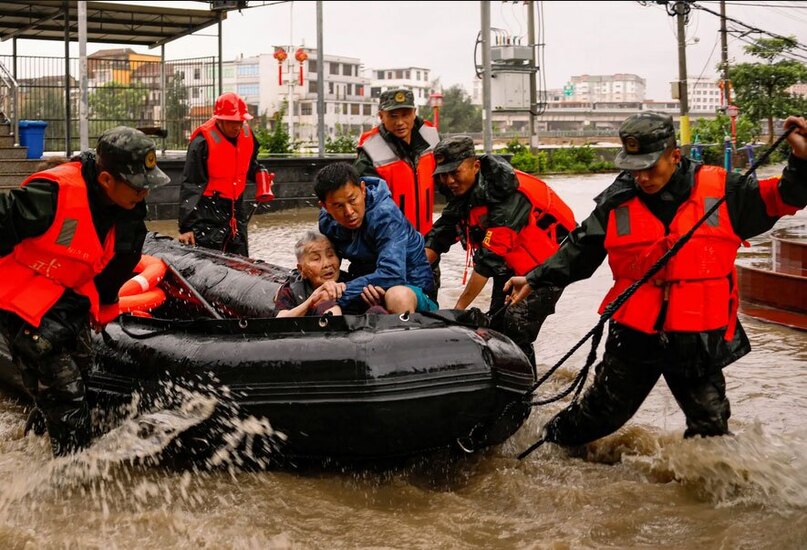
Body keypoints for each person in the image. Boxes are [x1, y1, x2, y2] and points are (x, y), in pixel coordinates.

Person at [505, 111, 807, 448]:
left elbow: (786, 197)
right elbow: (579, 249)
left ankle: (707, 489)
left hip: (697, 333)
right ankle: (547, 446)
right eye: (635, 168)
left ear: (674, 156)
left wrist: (801, 159)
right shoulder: (616, 201)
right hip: (635, 331)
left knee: (710, 425)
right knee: (601, 414)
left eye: (651, 167)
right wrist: (534, 277)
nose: (643, 177)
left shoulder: (723, 189)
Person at [0, 126, 170, 456]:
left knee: (81, 367)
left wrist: (106, 304)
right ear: (107, 180)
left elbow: (122, 259)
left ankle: (36, 443)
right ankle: (72, 476)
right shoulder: (52, 195)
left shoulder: (131, 207)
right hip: (23, 306)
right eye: (137, 186)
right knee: (67, 393)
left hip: (69, 300)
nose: (144, 194)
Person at [424, 135, 576, 366]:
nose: (449, 180)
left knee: (515, 328)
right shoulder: (463, 194)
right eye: (443, 174)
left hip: (548, 268)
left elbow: (487, 262)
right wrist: (409, 272)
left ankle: (524, 394)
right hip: (511, 267)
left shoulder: (507, 196)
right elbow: (439, 236)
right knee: (496, 328)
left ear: (475, 166)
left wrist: (458, 310)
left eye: (455, 172)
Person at [315, 162, 438, 315]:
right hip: (366, 287)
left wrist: (343, 292)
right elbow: (330, 264)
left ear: (362, 189)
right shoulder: (327, 222)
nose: (349, 212)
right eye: (338, 206)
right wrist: (327, 288)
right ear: (325, 207)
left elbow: (393, 274)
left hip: (409, 288)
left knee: (397, 296)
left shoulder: (386, 216)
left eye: (353, 200)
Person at [178, 91, 263, 256]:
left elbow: (250, 164)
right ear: (219, 119)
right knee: (210, 258)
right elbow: (191, 185)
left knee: (240, 255)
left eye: (240, 121)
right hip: (208, 208)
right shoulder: (202, 143)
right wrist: (186, 227)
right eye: (232, 122)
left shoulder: (247, 135)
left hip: (236, 205)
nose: (237, 126)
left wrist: (260, 174)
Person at [355, 87, 440, 236]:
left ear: (414, 113)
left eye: (405, 115)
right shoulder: (370, 152)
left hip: (427, 240)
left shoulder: (431, 137)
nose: (400, 122)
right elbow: (369, 207)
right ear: (381, 116)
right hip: (391, 243)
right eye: (393, 116)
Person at [273, 231, 348, 317]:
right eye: (316, 259)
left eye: (330, 255)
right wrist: (312, 300)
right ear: (301, 270)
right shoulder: (292, 290)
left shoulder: (351, 282)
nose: (327, 264)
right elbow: (280, 320)